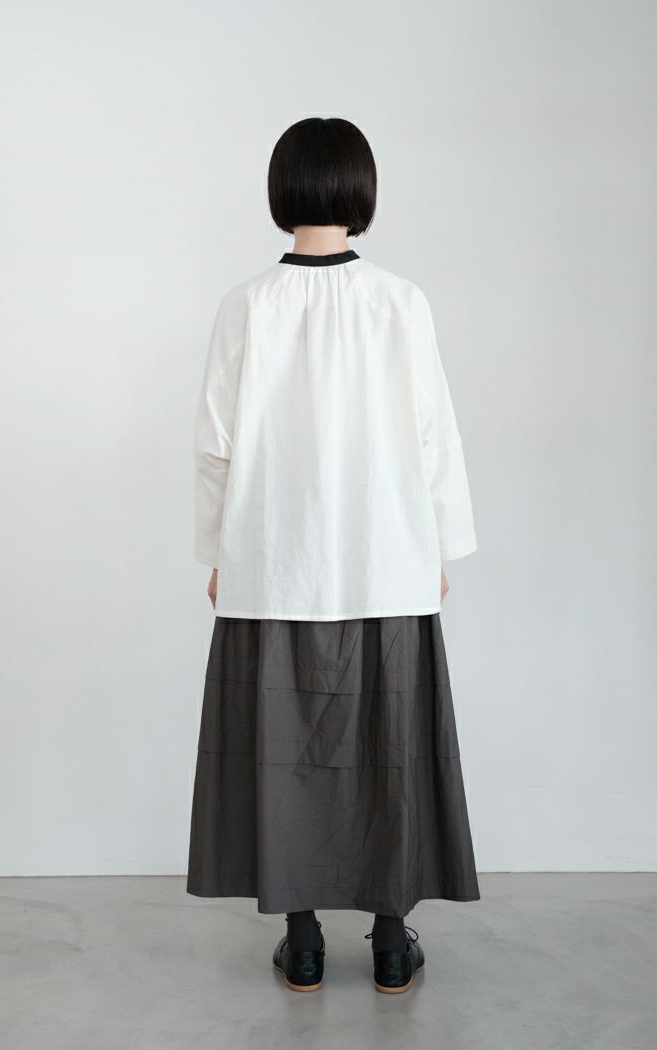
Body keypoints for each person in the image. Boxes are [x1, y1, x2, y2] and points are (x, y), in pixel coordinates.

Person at [186, 116, 480, 994]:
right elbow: (434, 436)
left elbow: (215, 446)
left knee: (285, 752)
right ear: (361, 190)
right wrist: (440, 543)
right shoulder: (400, 300)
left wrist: (217, 550)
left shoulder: (246, 304)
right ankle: (390, 941)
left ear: (282, 190)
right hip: (385, 559)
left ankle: (304, 940)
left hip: (275, 562)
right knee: (390, 747)